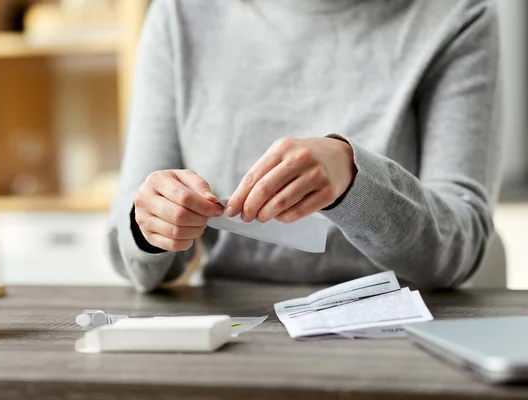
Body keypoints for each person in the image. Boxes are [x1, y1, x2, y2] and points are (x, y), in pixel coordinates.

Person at [108, 0, 501, 293]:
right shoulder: (180, 15)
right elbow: (132, 256)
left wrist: (355, 179)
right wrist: (150, 226)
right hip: (232, 327)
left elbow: (458, 245)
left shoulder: (457, 16)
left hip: (399, 325)